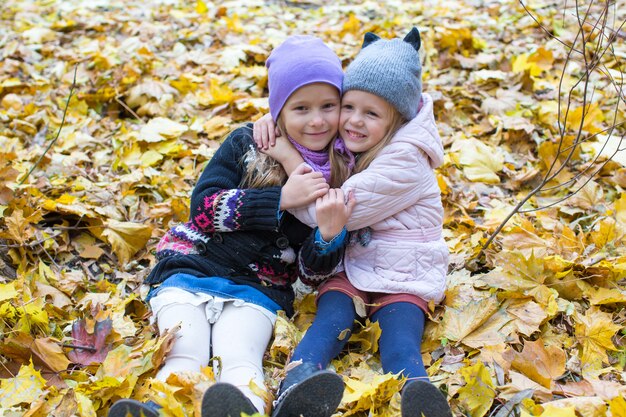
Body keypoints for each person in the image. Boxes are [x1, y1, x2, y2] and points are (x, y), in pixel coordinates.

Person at [107, 35, 356, 417]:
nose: (317, 119)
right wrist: (281, 199)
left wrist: (327, 235)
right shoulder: (247, 143)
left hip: (258, 290)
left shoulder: (342, 172)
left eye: (328, 106)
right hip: (190, 271)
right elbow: (203, 209)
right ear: (278, 112)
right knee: (184, 353)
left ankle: (244, 409)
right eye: (301, 108)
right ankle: (157, 410)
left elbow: (309, 273)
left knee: (239, 358)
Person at [254, 28, 452, 417]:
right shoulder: (355, 144)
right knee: (330, 320)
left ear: (398, 119)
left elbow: (324, 212)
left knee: (399, 341)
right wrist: (274, 117)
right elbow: (310, 121)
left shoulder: (406, 160)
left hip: (405, 270)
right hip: (353, 263)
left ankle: (419, 398)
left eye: (371, 113)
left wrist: (289, 160)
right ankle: (299, 386)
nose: (353, 122)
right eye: (349, 107)